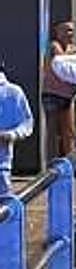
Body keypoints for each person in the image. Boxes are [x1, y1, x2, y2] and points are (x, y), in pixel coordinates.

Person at [43, 21, 76, 157]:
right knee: (52, 131)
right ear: (58, 32)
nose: (70, 34)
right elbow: (62, 61)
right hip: (52, 94)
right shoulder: (54, 46)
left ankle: (70, 163)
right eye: (67, 30)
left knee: (69, 132)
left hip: (68, 96)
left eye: (72, 31)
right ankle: (51, 166)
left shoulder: (73, 49)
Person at [0, 62, 34, 194]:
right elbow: (27, 123)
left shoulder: (13, 92)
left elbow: (26, 123)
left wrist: (10, 135)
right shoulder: (15, 91)